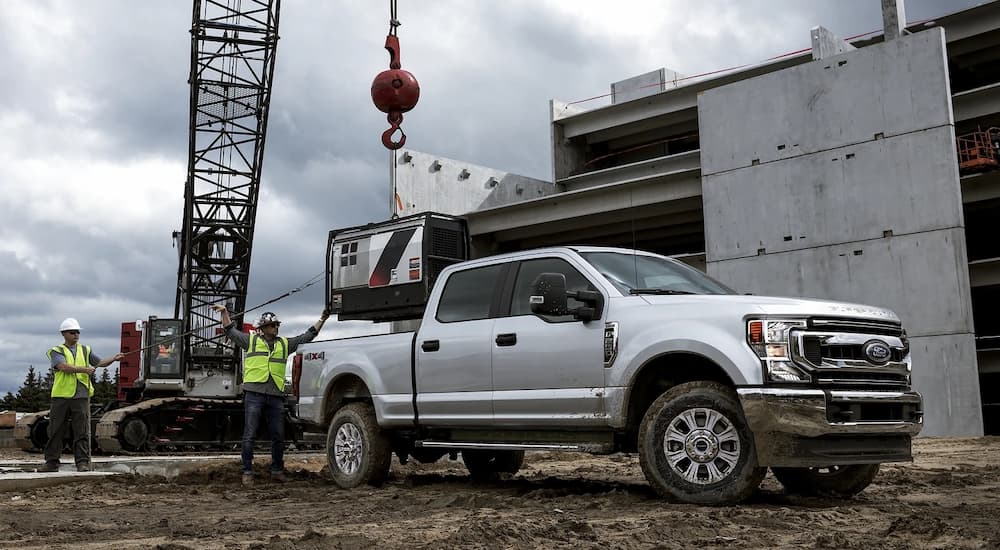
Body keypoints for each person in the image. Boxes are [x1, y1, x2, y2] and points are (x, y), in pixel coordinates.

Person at [211, 304, 329, 486]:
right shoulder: (250, 341)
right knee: (249, 434)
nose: (276, 328)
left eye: (277, 325)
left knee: (278, 436)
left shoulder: (284, 344)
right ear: (263, 328)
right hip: (254, 395)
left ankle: (277, 470)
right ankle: (247, 472)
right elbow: (230, 331)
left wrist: (322, 319)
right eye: (273, 325)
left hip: (275, 396)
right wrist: (225, 313)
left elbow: (307, 336)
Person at [41, 317, 125, 472]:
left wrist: (113, 358)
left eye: (78, 332)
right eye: (73, 332)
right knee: (56, 430)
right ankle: (51, 463)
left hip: (81, 396)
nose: (76, 335)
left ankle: (82, 463)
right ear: (64, 334)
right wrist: (84, 369)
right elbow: (63, 367)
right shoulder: (56, 351)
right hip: (61, 397)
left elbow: (99, 362)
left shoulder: (85, 350)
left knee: (82, 431)